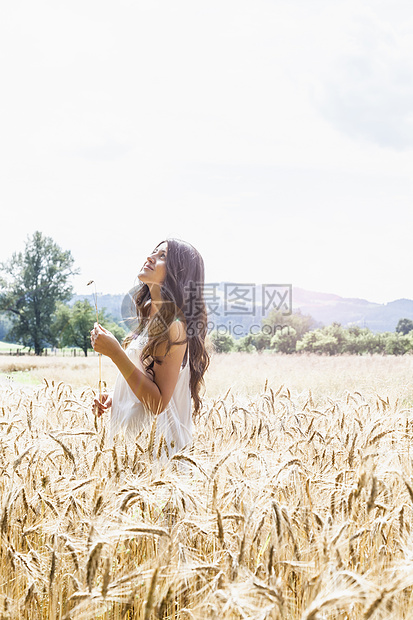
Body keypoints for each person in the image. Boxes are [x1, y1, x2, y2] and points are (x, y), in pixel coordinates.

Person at [90, 238, 210, 457]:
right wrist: (117, 396)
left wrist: (115, 353)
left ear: (179, 272)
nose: (150, 257)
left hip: (158, 455)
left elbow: (158, 403)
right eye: (154, 252)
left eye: (162, 256)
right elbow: (148, 379)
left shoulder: (173, 325)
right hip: (133, 448)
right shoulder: (151, 317)